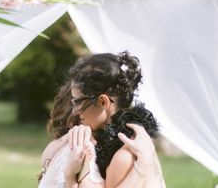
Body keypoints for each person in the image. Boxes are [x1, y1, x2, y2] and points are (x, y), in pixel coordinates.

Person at [38, 52, 166, 188]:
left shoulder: (126, 155)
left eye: (78, 102)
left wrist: (70, 176)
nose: (74, 111)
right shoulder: (87, 142)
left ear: (103, 102)